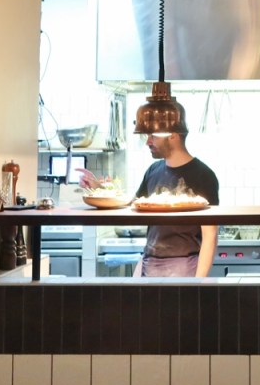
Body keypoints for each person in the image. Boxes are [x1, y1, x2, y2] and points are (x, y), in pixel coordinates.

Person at [78, 119, 219, 278]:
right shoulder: (153, 170)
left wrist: (198, 283)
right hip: (149, 261)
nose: (148, 142)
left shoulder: (203, 175)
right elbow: (132, 205)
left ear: (173, 135)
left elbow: (210, 235)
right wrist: (98, 188)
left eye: (153, 136)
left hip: (184, 264)